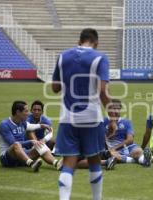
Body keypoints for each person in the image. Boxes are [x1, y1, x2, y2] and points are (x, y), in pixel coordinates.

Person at [52, 28, 112, 200]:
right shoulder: (100, 57)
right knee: (94, 161)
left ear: (80, 41)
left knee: (68, 164)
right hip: (92, 118)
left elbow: (55, 88)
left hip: (67, 119)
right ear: (96, 42)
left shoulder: (63, 56)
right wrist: (113, 117)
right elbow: (102, 91)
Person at [0, 101, 62, 172]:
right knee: (16, 144)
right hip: (8, 159)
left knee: (40, 145)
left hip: (22, 157)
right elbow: (12, 143)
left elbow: (30, 126)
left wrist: (42, 125)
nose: (28, 113)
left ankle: (57, 163)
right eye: (26, 111)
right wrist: (31, 142)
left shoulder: (22, 122)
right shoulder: (4, 125)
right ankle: (32, 164)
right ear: (18, 112)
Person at [104, 99, 152, 167]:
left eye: (118, 109)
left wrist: (115, 147)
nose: (116, 111)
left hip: (126, 146)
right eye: (113, 109)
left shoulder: (126, 122)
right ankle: (143, 160)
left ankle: (144, 160)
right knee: (113, 155)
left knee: (138, 151)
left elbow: (130, 140)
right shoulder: (103, 122)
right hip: (111, 149)